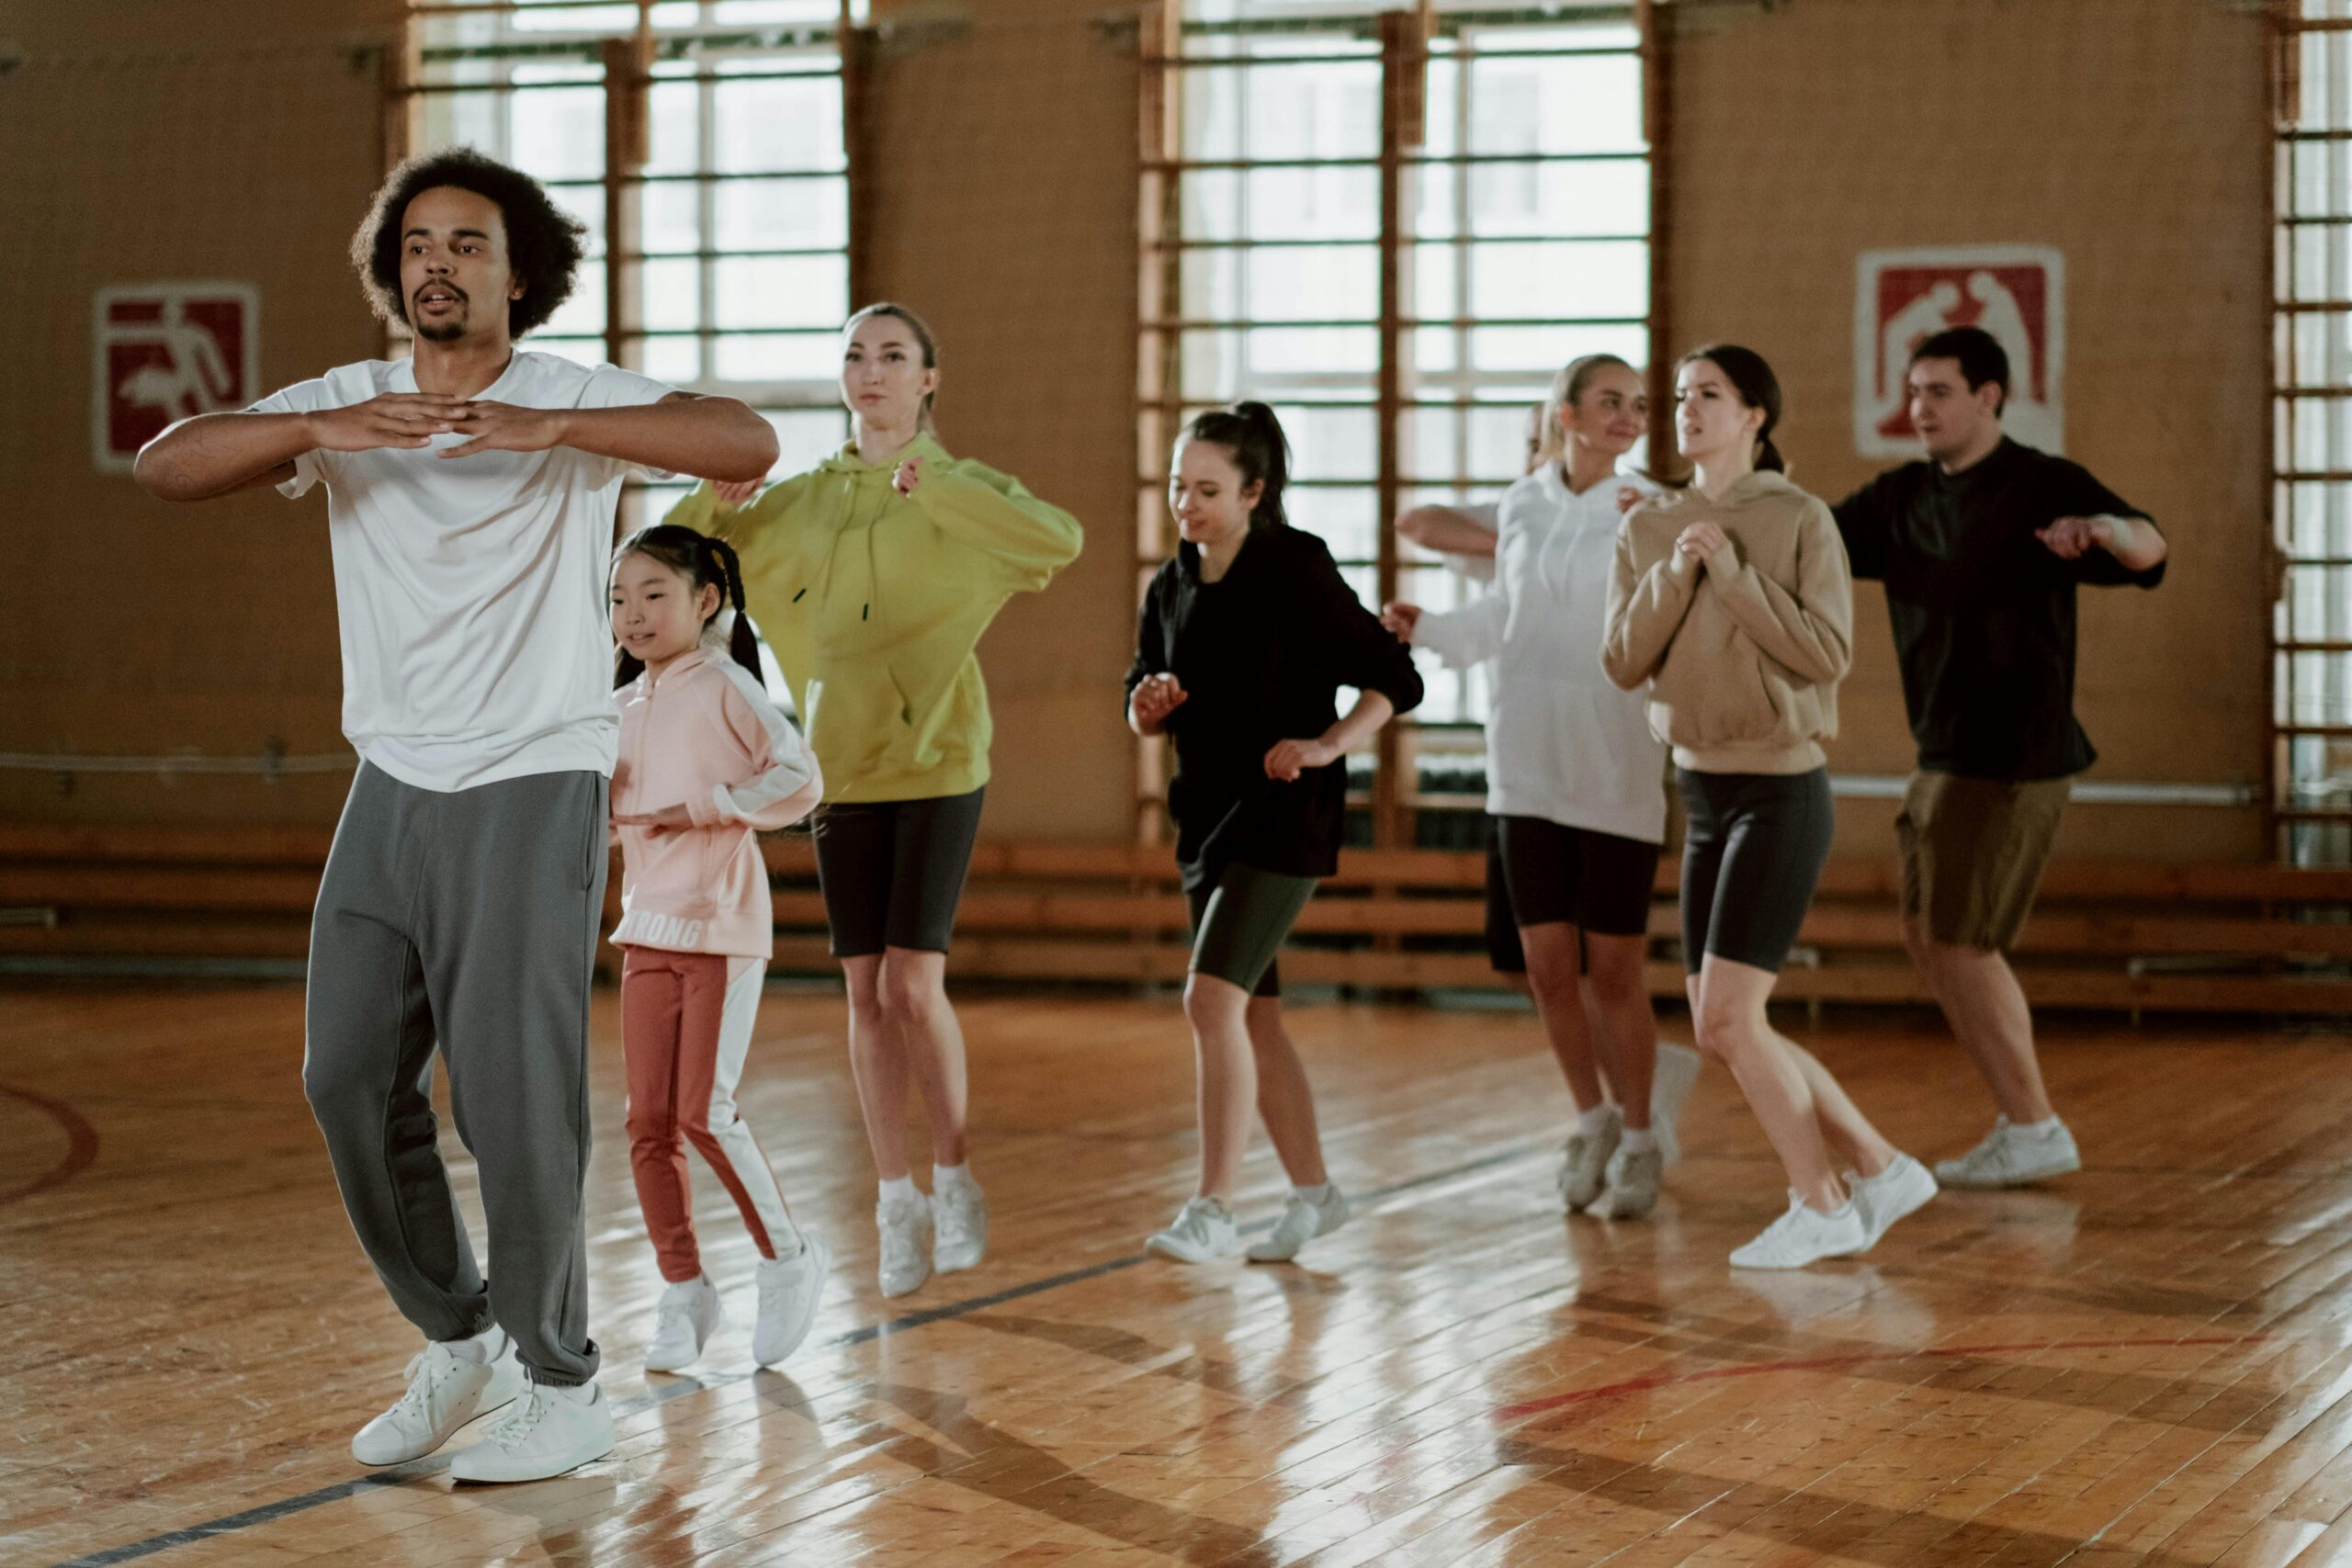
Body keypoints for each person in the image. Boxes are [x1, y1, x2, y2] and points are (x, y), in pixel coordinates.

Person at [132, 147, 779, 1481]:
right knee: (346, 1077)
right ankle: (461, 1329)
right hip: (392, 781)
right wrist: (320, 431)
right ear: (393, 270)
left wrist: (564, 432)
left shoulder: (567, 391)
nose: (440, 263)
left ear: (519, 270)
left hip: (531, 773)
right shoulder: (343, 401)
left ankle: (563, 1377)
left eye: (469, 244)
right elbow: (167, 464)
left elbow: (746, 443)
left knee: (512, 1097)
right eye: (421, 244)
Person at [664, 303, 1083, 1297]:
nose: (871, 371)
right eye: (855, 354)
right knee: (862, 991)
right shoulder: (802, 500)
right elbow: (664, 575)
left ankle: (954, 1169)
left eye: (893, 356)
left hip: (940, 763)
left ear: (928, 380)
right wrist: (712, 498)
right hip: (837, 772)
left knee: (908, 984)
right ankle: (895, 1197)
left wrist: (931, 485)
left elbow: (1054, 542)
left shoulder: (958, 487)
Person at [1602, 344, 1936, 1269]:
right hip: (1699, 791)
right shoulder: (1647, 525)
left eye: (1708, 395)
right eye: (1680, 396)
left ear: (1756, 414)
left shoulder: (1798, 519)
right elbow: (1623, 660)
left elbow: (1825, 655)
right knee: (1724, 1026)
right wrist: (1678, 569)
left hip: (1781, 791)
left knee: (1726, 1023)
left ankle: (1821, 1204)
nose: (1686, 410)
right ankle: (1879, 1164)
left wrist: (1734, 576)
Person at [1831, 325, 2166, 1190]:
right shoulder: (1900, 497)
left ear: (1990, 396)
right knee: (1928, 937)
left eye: (1939, 391)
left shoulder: (2040, 482)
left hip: (2015, 755)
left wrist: (2105, 530)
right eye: (1913, 392)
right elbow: (1809, 539)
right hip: (1940, 750)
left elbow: (2150, 546)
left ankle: (2034, 1125)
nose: (1921, 409)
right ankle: (2022, 1123)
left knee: (1964, 943)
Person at [1385, 355, 1690, 1220]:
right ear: (1565, 414)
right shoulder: (1520, 505)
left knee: (1616, 975)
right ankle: (1589, 1119)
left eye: (1639, 405)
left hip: (1617, 771)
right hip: (1523, 771)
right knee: (1549, 971)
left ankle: (1640, 1136)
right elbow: (1499, 621)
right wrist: (1428, 625)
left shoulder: (1651, 508)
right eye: (1610, 402)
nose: (1630, 417)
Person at [1126, 402, 1424, 1266]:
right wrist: (1144, 707)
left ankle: (1212, 1207)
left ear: (1256, 491)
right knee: (1256, 1018)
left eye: (1208, 489)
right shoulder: (1171, 582)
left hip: (1283, 817)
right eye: (1182, 487)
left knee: (1207, 1000)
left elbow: (1392, 676)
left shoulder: (1296, 568)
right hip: (1206, 823)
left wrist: (1329, 744)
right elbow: (1141, 687)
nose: (1188, 504)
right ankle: (1316, 1195)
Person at [606, 525, 827, 1374]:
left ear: (706, 600)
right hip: (645, 931)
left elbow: (800, 777)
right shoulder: (618, 706)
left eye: (654, 594)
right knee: (647, 1123)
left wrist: (706, 807)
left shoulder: (727, 683)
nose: (633, 614)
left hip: (723, 928)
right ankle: (684, 1288)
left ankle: (788, 1258)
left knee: (706, 1112)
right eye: (620, 599)